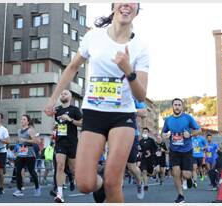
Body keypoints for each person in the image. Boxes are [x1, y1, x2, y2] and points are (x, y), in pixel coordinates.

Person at [45, 3, 149, 203]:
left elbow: (141, 96)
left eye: (133, 2)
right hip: (93, 112)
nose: (126, 4)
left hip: (122, 116)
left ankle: (108, 184)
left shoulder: (140, 47)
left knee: (113, 182)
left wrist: (128, 70)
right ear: (113, 6)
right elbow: (72, 67)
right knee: (84, 183)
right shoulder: (94, 37)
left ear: (137, 10)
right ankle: (100, 184)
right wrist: (52, 98)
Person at [162, 98, 202, 203]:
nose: (177, 106)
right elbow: (163, 133)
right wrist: (165, 135)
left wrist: (191, 134)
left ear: (182, 107)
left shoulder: (188, 118)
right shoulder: (168, 120)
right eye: (175, 105)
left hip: (186, 150)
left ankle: (189, 179)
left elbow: (199, 130)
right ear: (172, 106)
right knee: (175, 173)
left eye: (179, 105)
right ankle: (180, 195)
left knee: (186, 174)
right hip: (174, 151)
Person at [48, 90, 82, 203]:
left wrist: (70, 120)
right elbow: (55, 124)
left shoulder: (75, 110)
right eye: (61, 94)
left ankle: (72, 179)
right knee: (60, 166)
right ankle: (59, 194)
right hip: (60, 141)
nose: (63, 95)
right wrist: (54, 127)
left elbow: (82, 123)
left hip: (72, 142)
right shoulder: (57, 110)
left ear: (70, 97)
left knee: (73, 169)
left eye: (65, 94)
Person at [13, 114, 41, 197]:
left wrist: (24, 140)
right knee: (18, 170)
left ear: (28, 121)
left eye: (24, 119)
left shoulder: (30, 130)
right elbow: (20, 141)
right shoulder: (19, 130)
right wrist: (18, 143)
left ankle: (37, 187)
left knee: (31, 171)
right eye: (21, 119)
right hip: (21, 152)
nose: (22, 121)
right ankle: (19, 189)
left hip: (29, 153)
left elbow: (35, 141)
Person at [126, 99, 147, 199]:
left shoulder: (132, 97)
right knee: (117, 165)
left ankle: (139, 182)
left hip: (131, 134)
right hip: (115, 134)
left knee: (131, 166)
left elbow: (144, 112)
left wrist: (131, 110)